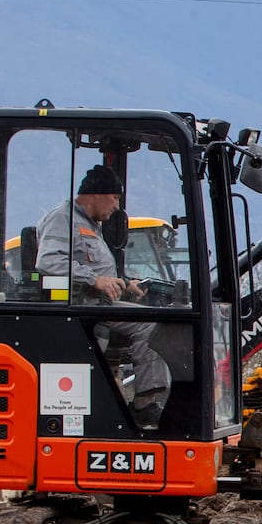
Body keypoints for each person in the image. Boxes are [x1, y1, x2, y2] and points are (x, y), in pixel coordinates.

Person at [37, 165, 171, 429]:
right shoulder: (63, 219)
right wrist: (94, 280)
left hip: (99, 305)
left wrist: (124, 282)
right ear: (96, 194)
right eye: (115, 198)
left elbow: (97, 268)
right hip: (77, 309)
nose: (117, 206)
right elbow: (48, 261)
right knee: (150, 324)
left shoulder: (90, 225)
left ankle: (143, 400)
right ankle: (144, 404)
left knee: (157, 319)